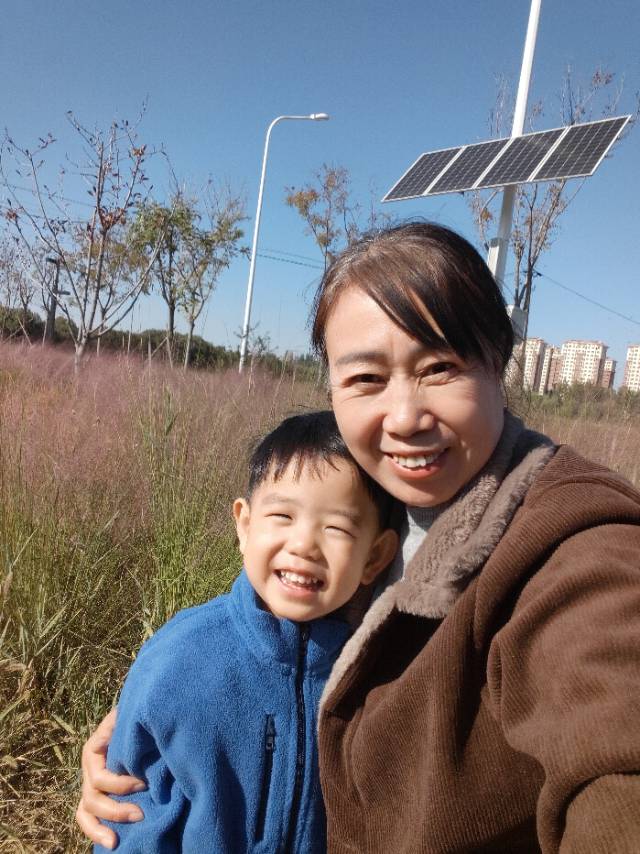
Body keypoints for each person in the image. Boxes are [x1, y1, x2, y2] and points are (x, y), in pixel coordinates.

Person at [78, 222, 640, 853]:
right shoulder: (380, 490)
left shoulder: (576, 544)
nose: (403, 418)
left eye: (440, 367)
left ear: (498, 362)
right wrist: (148, 727)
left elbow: (615, 753)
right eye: (367, 379)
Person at [92, 410, 398, 853]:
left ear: (375, 557)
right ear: (245, 524)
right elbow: (133, 809)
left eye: (336, 527)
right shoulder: (180, 656)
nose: (304, 545)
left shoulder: (378, 671)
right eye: (282, 515)